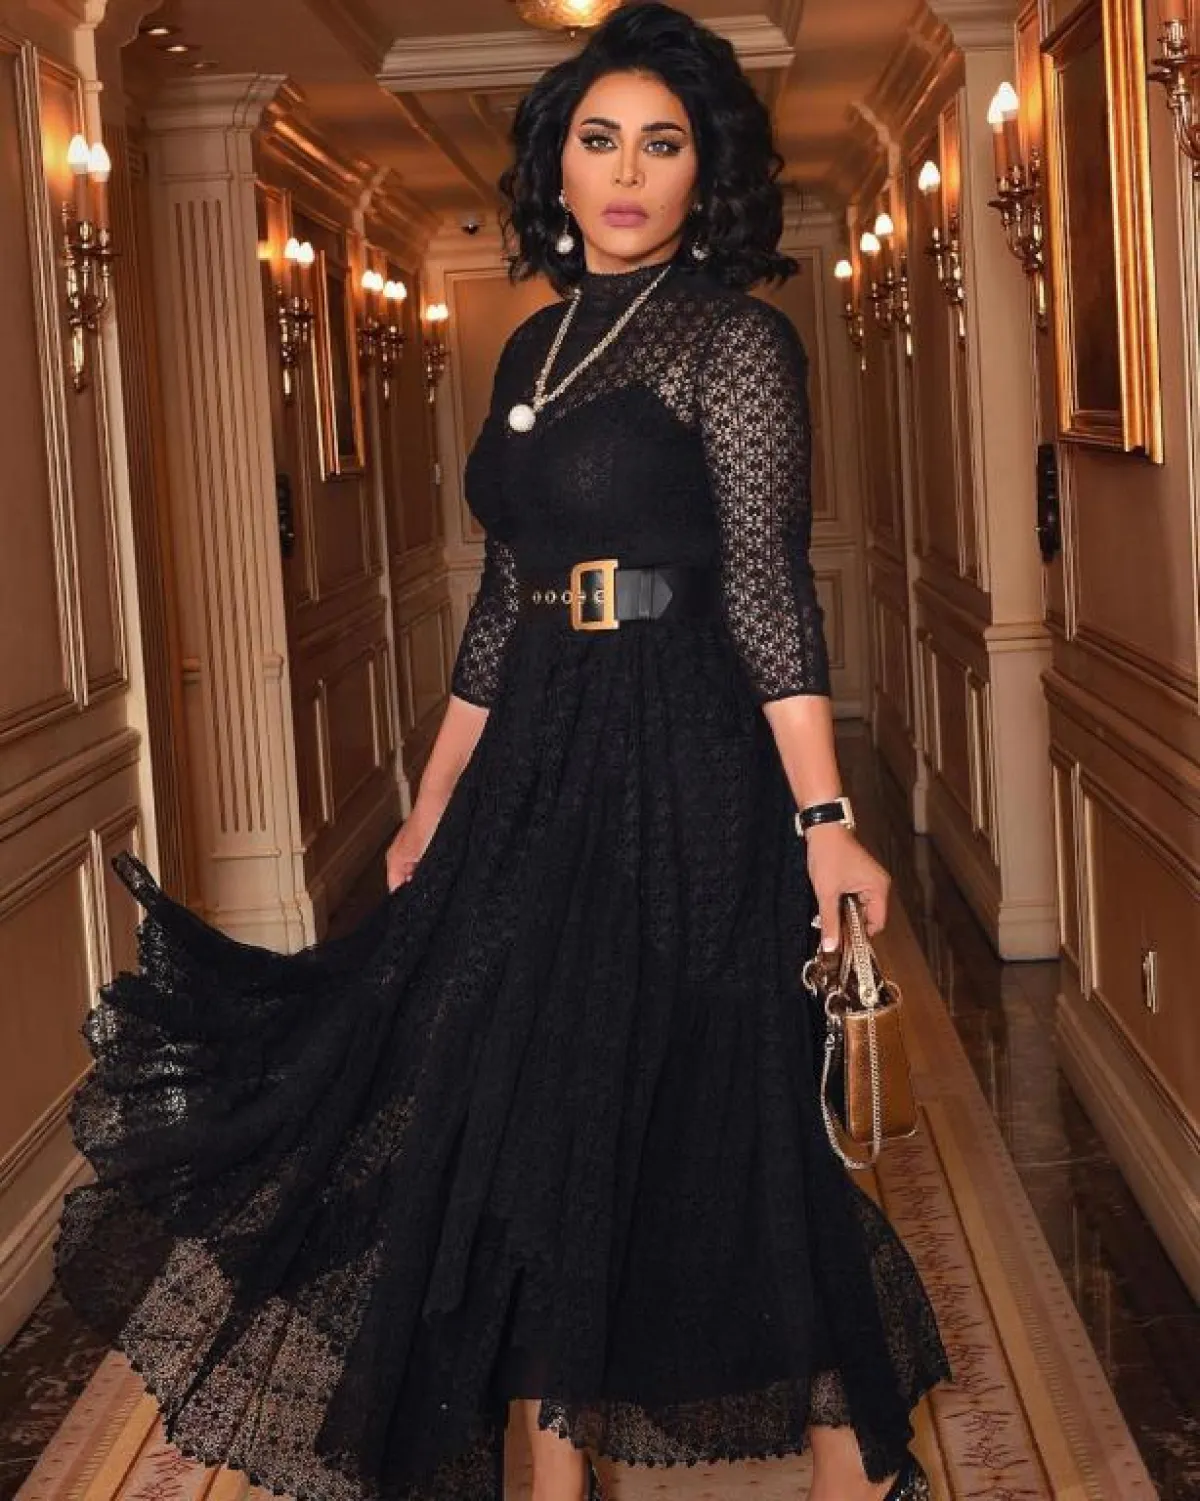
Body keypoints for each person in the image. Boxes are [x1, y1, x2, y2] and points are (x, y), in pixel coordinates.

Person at [54, 5, 952, 1501]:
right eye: (600, 140)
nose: (628, 172)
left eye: (662, 143)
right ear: (557, 164)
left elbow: (766, 590)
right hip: (536, 759)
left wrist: (825, 820)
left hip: (684, 765)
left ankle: (858, 1469)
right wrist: (432, 806)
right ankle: (551, 1476)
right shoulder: (535, 341)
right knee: (518, 1121)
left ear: (705, 171)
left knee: (727, 1127)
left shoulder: (735, 342)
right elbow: (501, 599)